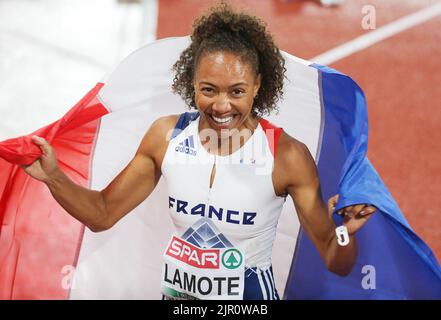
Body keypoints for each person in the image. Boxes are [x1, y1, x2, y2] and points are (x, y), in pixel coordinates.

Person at [21, 3, 376, 300]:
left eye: (236, 92)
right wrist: (53, 176)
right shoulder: (166, 137)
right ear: (191, 83)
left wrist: (344, 230)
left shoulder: (286, 156)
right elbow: (102, 214)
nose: (222, 106)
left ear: (257, 86)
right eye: (209, 89)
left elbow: (334, 257)